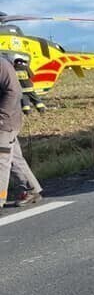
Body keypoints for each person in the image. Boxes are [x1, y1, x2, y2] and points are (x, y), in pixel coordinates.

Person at [0, 56, 43, 208]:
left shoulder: (2, 65)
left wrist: (2, 116)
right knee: (13, 158)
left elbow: (14, 92)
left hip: (5, 122)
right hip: (6, 120)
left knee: (1, 160)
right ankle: (32, 190)